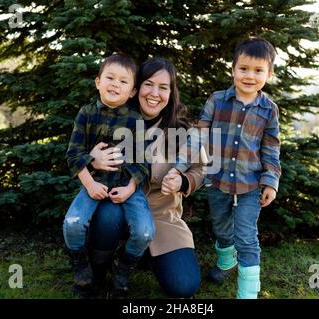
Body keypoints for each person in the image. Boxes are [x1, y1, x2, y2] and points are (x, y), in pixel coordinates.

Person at [86, 57, 205, 298]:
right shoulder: (110, 119)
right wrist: (92, 160)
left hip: (162, 217)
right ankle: (97, 270)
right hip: (117, 207)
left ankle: (144, 256)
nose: (154, 93)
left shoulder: (183, 131)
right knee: (108, 216)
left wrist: (183, 182)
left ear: (171, 93)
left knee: (184, 286)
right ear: (136, 88)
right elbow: (78, 153)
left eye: (163, 87)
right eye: (148, 84)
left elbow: (201, 170)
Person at [175, 37, 281, 299]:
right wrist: (179, 168)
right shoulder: (217, 100)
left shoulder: (269, 110)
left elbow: (271, 148)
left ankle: (247, 293)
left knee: (246, 237)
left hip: (251, 184)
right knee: (222, 228)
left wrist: (270, 181)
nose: (249, 76)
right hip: (217, 179)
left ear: (269, 74)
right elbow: (198, 136)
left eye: (258, 71)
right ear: (233, 69)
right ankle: (226, 260)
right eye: (243, 69)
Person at [63, 53, 154, 295]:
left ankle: (122, 268)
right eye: (110, 77)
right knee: (73, 223)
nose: (115, 84)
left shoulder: (135, 120)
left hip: (126, 186)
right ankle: (82, 268)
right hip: (93, 182)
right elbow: (73, 154)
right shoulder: (86, 113)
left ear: (133, 91)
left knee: (145, 231)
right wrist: (90, 183)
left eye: (123, 81)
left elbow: (142, 161)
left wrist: (130, 188)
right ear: (98, 82)